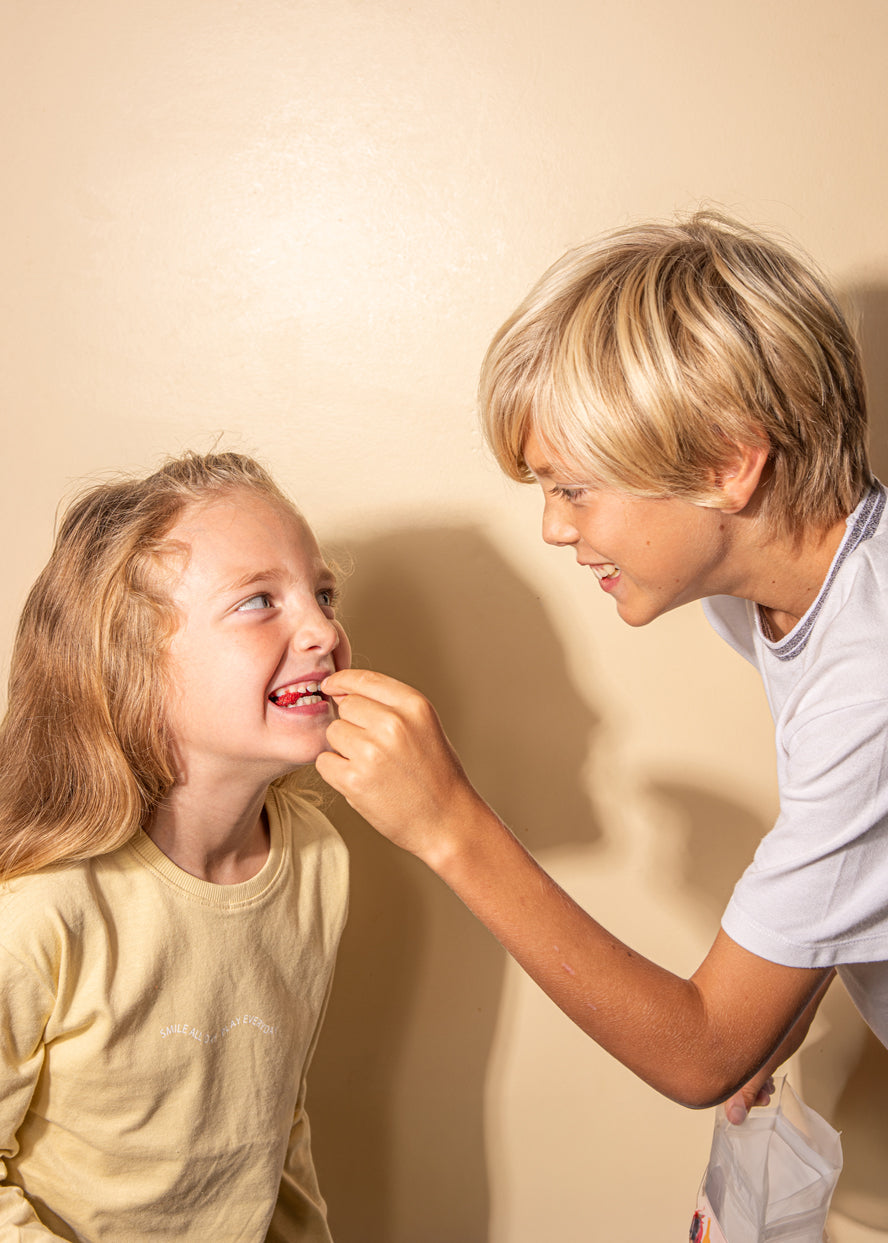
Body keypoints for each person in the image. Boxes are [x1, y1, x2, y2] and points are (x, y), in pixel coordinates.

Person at [316, 209, 884, 1125]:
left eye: (573, 488)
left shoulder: (870, 678)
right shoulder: (776, 594)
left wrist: (448, 825)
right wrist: (785, 992)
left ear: (730, 463)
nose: (554, 526)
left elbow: (700, 1053)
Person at [0, 451, 350, 1241]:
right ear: (131, 664)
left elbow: (276, 1127)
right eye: (260, 600)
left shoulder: (319, 861)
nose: (325, 630)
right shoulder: (39, 908)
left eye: (323, 593)